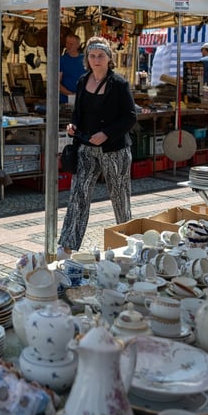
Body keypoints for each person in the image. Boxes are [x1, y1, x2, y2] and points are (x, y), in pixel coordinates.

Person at [58, 36, 138, 256]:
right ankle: (66, 246)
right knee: (78, 196)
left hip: (115, 151)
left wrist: (107, 134)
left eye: (100, 56)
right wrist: (73, 125)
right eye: (92, 56)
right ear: (87, 59)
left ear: (109, 58)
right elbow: (78, 112)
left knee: (120, 197)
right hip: (86, 148)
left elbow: (131, 116)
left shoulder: (119, 83)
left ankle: (127, 244)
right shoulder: (83, 81)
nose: (96, 60)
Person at [58, 33, 84, 104]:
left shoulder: (86, 60)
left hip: (83, 100)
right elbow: (56, 83)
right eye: (67, 43)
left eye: (71, 44)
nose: (68, 46)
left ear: (78, 45)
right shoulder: (61, 60)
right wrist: (71, 95)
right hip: (65, 101)